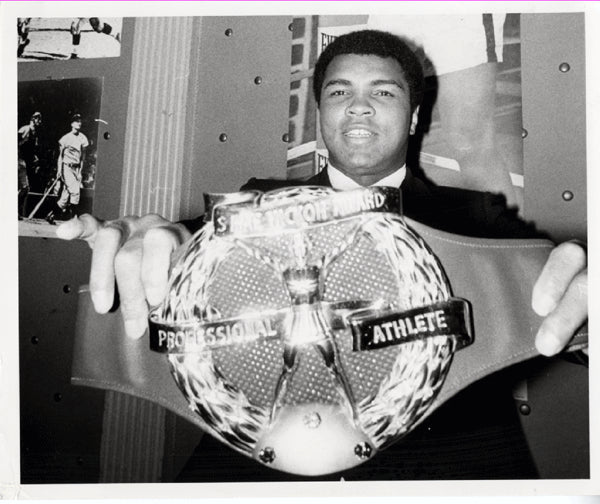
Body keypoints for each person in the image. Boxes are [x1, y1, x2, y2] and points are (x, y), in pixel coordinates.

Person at [56, 30, 588, 479]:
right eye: (340, 92)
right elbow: (172, 251)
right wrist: (150, 237)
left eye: (383, 92)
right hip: (252, 469)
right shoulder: (248, 204)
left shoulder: (481, 218)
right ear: (320, 116)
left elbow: (568, 304)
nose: (358, 105)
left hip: (455, 461)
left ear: (414, 117)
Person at [46, 114, 88, 224]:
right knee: (75, 192)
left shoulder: (83, 138)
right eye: (76, 121)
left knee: (65, 196)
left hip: (76, 169)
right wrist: (59, 171)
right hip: (66, 168)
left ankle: (51, 215)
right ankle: (74, 221)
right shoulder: (65, 138)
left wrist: (80, 173)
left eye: (80, 121)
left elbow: (83, 158)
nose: (79, 123)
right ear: (71, 123)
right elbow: (60, 156)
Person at [18, 111, 42, 219]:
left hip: (22, 162)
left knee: (25, 188)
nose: (39, 121)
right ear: (33, 119)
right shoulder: (25, 129)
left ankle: (16, 211)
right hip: (17, 160)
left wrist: (34, 158)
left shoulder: (34, 134)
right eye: (37, 119)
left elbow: (31, 150)